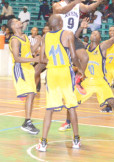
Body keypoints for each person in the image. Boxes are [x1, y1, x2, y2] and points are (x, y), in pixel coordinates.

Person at [59, 13, 114, 133]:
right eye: (93, 33)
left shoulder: (102, 47)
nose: (94, 34)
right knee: (71, 101)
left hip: (100, 81)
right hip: (87, 82)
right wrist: (81, 27)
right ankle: (67, 122)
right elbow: (74, 38)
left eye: (97, 33)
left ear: (99, 38)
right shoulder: (85, 47)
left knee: (112, 102)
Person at [36, 15, 84, 152]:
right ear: (61, 23)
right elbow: (74, 56)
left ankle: (43, 143)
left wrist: (52, 61)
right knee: (71, 107)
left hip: (51, 73)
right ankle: (76, 140)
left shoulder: (45, 36)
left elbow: (41, 59)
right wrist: (80, 69)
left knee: (49, 109)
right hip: (64, 72)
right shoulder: (68, 34)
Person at [53, 0, 105, 82]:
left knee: (85, 57)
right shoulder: (57, 5)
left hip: (73, 36)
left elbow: (88, 8)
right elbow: (63, 11)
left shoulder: (77, 4)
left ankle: (77, 79)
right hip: (61, 37)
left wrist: (99, 1)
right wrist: (75, 2)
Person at [7, 18, 41, 134]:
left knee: (32, 95)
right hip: (20, 69)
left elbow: (31, 50)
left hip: (29, 68)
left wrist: (39, 41)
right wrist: (34, 59)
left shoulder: (25, 37)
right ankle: (27, 121)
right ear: (13, 26)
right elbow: (17, 58)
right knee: (31, 94)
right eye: (16, 21)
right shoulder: (14, 40)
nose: (19, 21)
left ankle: (27, 121)